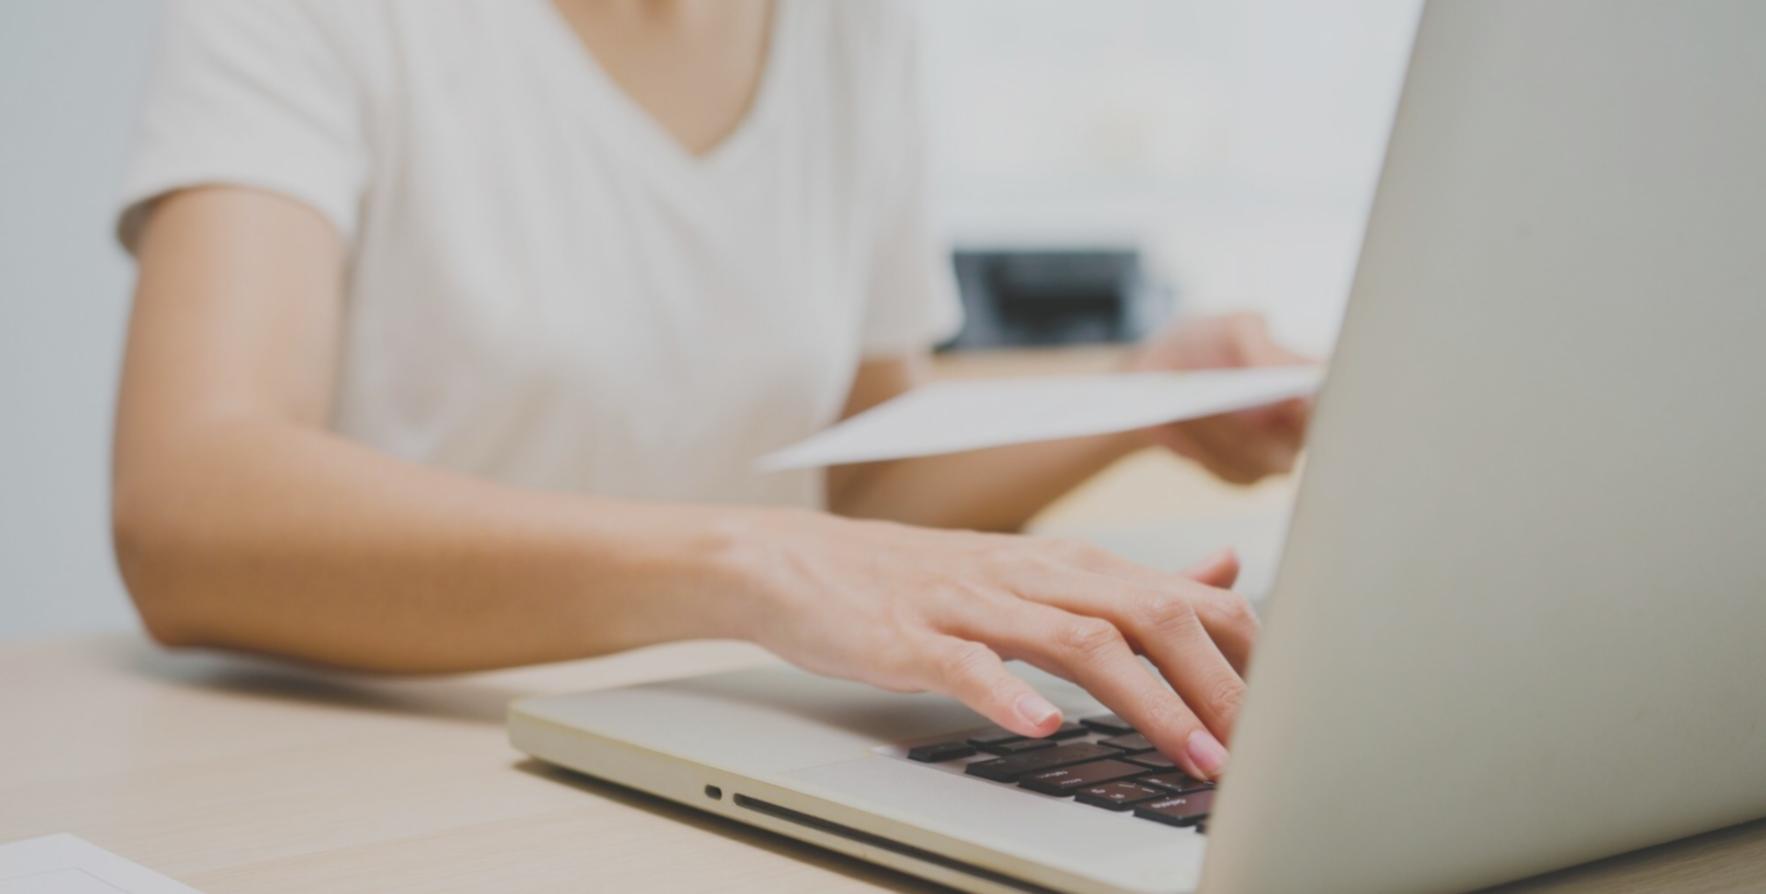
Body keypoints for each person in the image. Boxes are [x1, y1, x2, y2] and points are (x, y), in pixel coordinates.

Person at [111, 0, 1311, 784]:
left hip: (699, 734)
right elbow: (190, 503)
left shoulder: (849, 28)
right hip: (380, 748)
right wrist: (757, 568)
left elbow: (858, 474)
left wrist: (1132, 396)